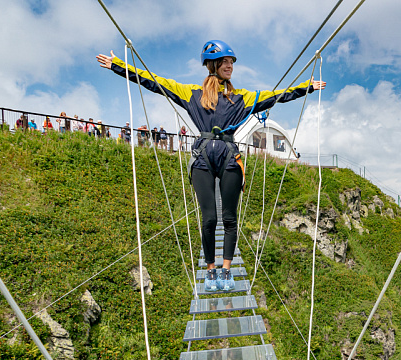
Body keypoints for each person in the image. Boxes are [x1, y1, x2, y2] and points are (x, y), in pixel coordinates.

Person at [97, 40, 325, 292]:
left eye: (231, 62)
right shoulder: (191, 93)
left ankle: (226, 270)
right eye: (225, 62)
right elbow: (154, 81)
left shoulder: (243, 97)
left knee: (228, 218)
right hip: (203, 158)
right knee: (209, 219)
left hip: (229, 158)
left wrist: (308, 88)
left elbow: (278, 96)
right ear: (212, 65)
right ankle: (211, 270)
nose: (230, 66)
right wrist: (118, 66)